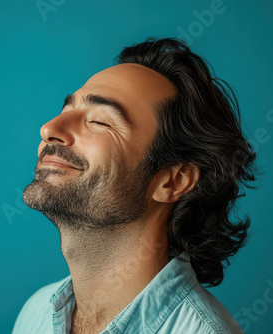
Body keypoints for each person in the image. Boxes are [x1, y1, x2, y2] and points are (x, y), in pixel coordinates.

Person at [13, 37, 257, 334]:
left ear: (173, 181)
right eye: (66, 111)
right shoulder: (36, 313)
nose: (49, 128)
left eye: (100, 121)